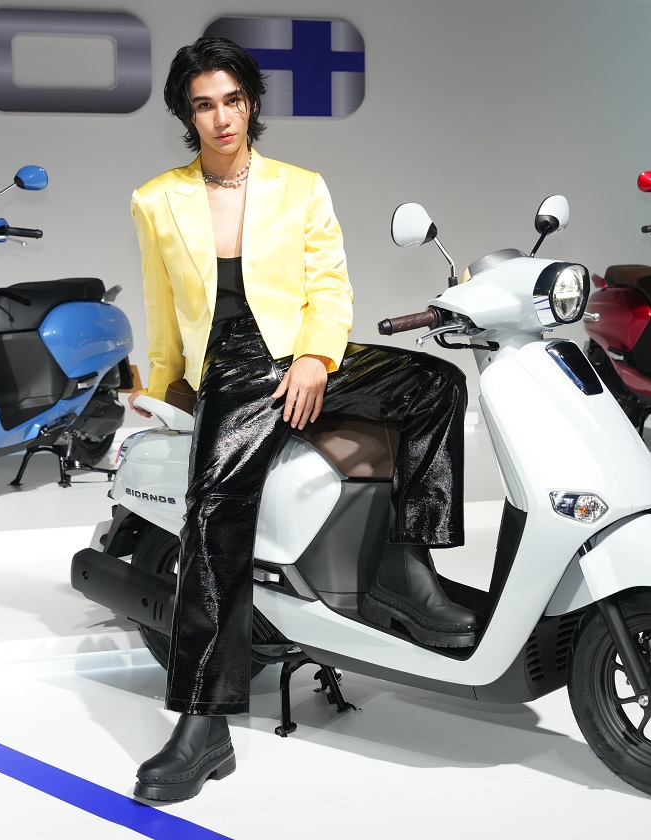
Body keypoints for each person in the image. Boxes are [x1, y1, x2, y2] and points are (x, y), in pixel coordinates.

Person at [127, 37, 478, 802]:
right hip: (231, 368)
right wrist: (163, 389)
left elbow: (330, 286)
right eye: (204, 105)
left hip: (306, 352)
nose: (222, 117)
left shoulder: (301, 187)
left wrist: (317, 358)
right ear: (189, 116)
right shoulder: (157, 200)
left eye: (232, 100)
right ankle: (203, 726)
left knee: (435, 384)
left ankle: (404, 567)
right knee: (214, 519)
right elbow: (161, 308)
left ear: (251, 101)